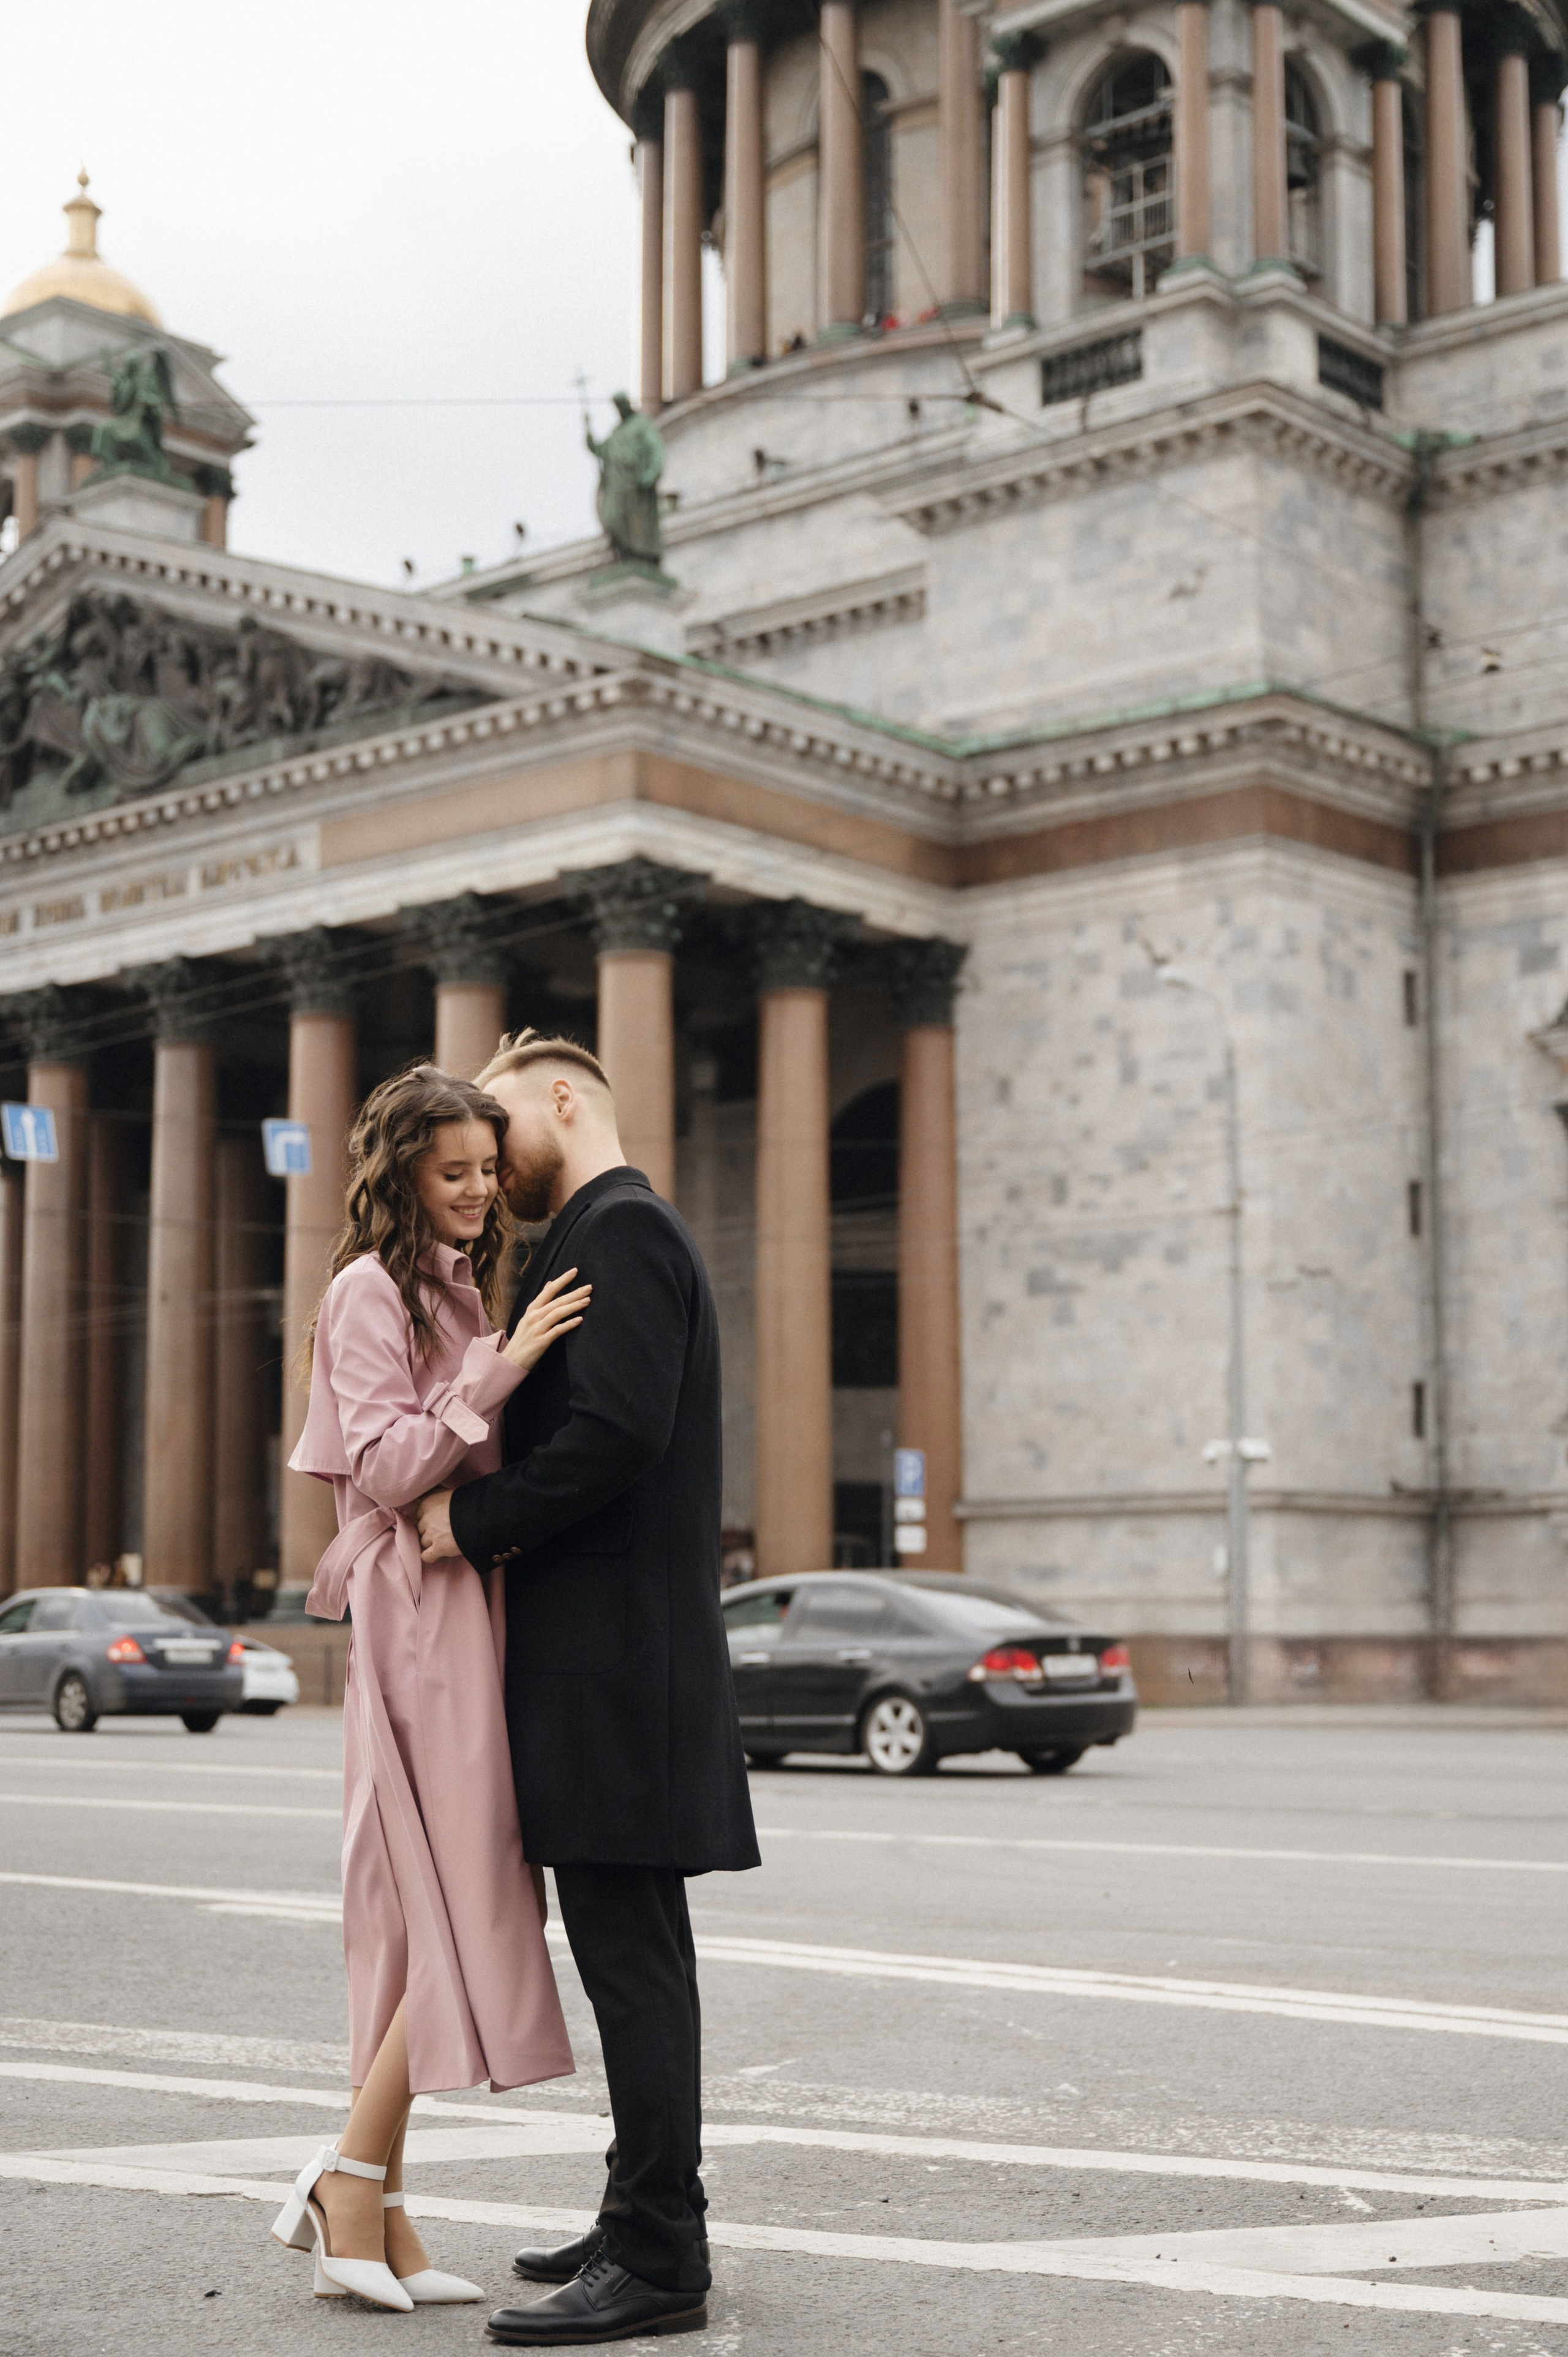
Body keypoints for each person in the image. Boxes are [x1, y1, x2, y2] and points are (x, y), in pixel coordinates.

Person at [414, 1033, 760, 2348]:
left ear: (564, 1098)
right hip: (614, 1668)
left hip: (617, 1673)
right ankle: (642, 2215)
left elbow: (616, 1433)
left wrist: (472, 1520)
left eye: (500, 1127)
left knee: (632, 1965)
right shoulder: (602, 1231)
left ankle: (661, 2257)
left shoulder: (620, 1231)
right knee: (637, 1958)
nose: (489, 1160)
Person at [271, 1065, 586, 2313]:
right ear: (400, 1172)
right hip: (415, 1611)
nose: (476, 1190)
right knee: (464, 1893)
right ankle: (348, 2179)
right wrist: (497, 1371)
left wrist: (492, 1355)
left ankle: (381, 2211)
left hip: (464, 1603)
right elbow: (388, 1464)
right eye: (451, 1170)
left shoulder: (454, 1290)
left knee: (422, 1918)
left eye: (485, 1170)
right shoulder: (366, 1289)